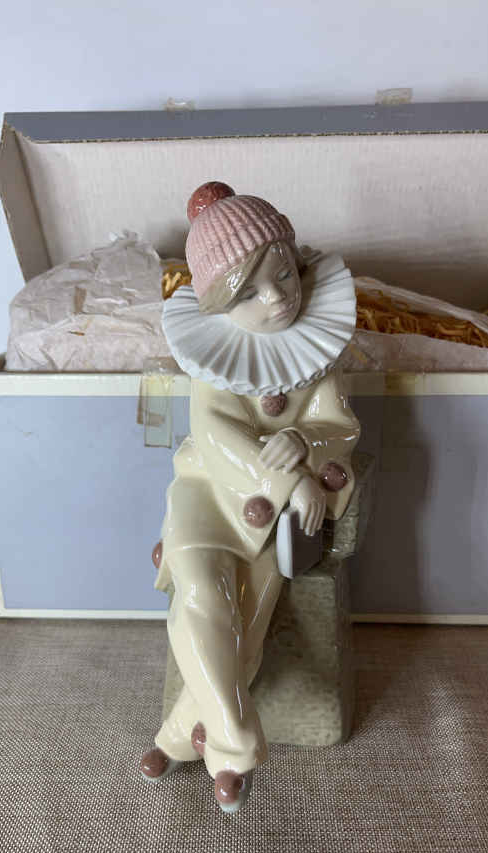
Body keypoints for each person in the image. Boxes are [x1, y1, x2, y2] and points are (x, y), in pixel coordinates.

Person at [140, 182, 360, 814]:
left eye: (284, 275)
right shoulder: (214, 360)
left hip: (267, 522)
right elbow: (216, 436)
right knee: (204, 593)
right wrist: (284, 480)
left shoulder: (316, 354)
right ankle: (236, 744)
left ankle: (182, 737)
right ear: (220, 303)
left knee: (245, 627)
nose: (278, 298)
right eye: (249, 294)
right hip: (210, 493)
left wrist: (305, 444)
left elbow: (339, 426)